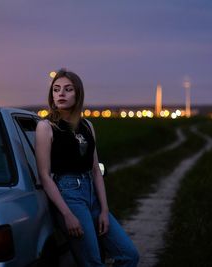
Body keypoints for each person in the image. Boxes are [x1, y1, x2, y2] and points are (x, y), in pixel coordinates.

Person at [35, 69, 139, 267]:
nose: (61, 94)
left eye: (67, 89)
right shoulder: (46, 127)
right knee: (92, 262)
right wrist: (67, 215)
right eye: (56, 90)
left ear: (78, 94)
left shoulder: (88, 126)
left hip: (92, 195)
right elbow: (44, 176)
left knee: (129, 255)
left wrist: (104, 210)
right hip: (68, 196)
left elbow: (95, 171)